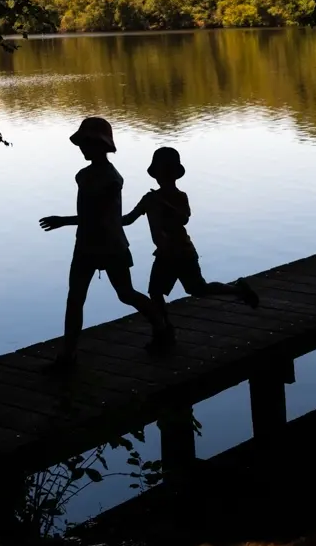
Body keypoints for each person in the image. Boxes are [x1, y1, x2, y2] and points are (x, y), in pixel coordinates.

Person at [39, 117, 171, 366]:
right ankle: (68, 355)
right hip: (86, 245)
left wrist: (63, 221)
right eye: (82, 143)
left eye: (87, 143)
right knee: (75, 298)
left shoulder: (112, 179)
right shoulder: (84, 175)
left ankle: (162, 327)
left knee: (125, 293)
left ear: (101, 145)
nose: (83, 148)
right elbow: (91, 215)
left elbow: (96, 216)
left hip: (110, 244)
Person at [124, 146, 260, 321]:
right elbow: (128, 219)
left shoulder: (180, 196)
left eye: (164, 172)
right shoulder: (149, 199)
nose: (161, 177)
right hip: (165, 254)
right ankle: (165, 330)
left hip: (183, 252)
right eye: (160, 172)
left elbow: (184, 218)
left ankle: (238, 289)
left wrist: (166, 204)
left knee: (197, 289)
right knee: (156, 292)